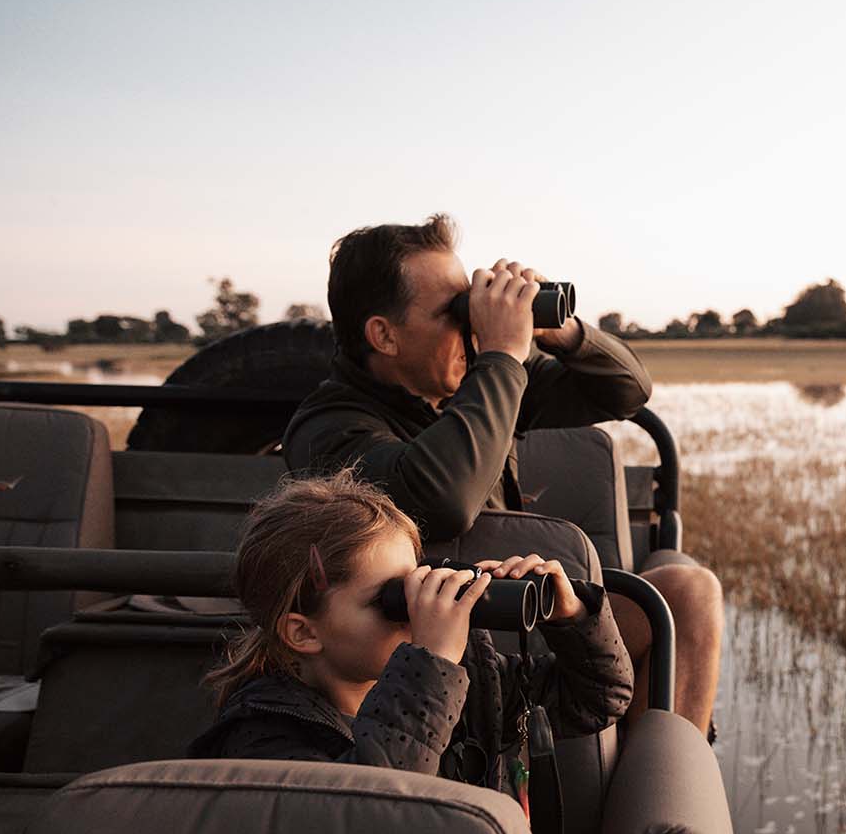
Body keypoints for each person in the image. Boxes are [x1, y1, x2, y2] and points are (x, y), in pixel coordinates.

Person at [282, 215, 724, 737]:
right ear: (384, 335)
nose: (470, 325)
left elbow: (627, 392)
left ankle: (655, 777)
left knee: (687, 592)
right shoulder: (328, 428)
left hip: (520, 619)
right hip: (422, 651)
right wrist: (503, 355)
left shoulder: (478, 383)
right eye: (453, 312)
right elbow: (444, 500)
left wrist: (562, 332)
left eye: (469, 303)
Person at [188, 470, 633, 793]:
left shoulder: (470, 681)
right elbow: (374, 812)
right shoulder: (262, 739)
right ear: (303, 633)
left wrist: (572, 617)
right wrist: (431, 666)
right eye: (392, 600)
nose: (415, 612)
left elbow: (598, 698)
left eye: (415, 584)